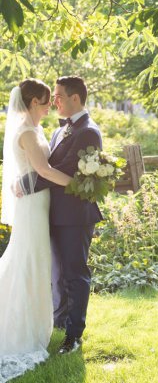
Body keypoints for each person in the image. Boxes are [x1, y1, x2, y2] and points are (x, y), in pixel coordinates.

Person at [0, 79, 72, 382]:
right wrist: (79, 183)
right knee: (27, 263)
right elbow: (42, 171)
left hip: (38, 203)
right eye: (45, 103)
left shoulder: (36, 129)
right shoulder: (27, 132)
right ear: (32, 104)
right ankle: (20, 331)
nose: (49, 107)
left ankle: (33, 321)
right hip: (31, 207)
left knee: (35, 263)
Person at [25, 76, 103, 354]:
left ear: (75, 98)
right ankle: (60, 324)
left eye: (58, 96)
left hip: (75, 216)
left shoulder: (88, 132)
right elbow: (50, 165)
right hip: (56, 213)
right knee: (57, 273)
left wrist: (27, 184)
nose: (53, 101)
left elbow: (67, 170)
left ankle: (74, 336)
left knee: (74, 274)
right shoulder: (61, 131)